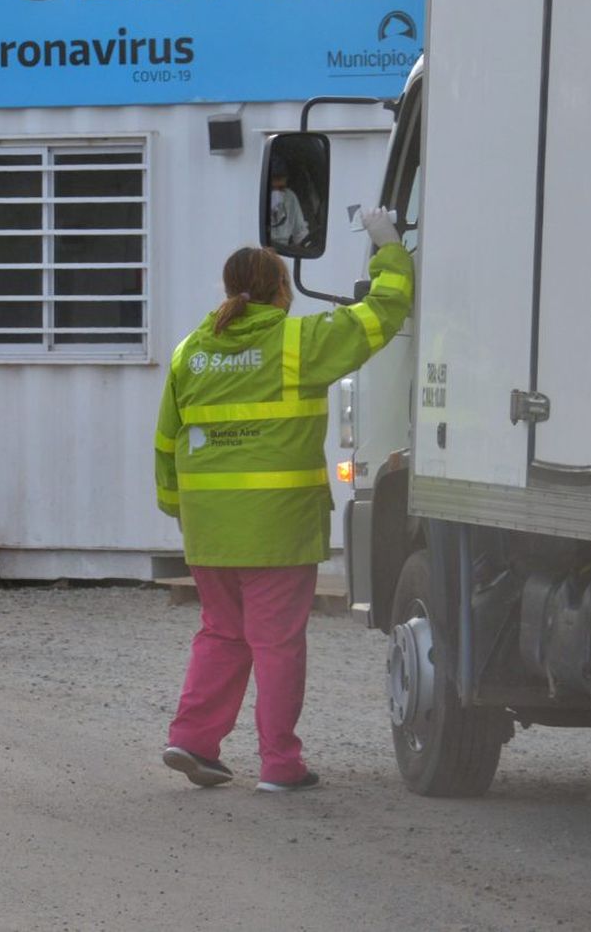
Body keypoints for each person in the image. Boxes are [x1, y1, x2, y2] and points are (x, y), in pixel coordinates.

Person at [154, 208, 412, 792]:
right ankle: (280, 764)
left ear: (229, 288)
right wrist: (389, 249)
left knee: (221, 633)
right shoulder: (301, 342)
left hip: (210, 533)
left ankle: (192, 741)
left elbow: (165, 443)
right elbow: (382, 313)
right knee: (276, 643)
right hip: (277, 529)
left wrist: (182, 510)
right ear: (281, 291)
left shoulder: (190, 352)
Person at [268, 158, 311, 249]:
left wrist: (308, 246)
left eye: (281, 188)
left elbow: (300, 232)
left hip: (285, 250)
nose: (277, 193)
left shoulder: (290, 197)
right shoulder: (258, 197)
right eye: (273, 189)